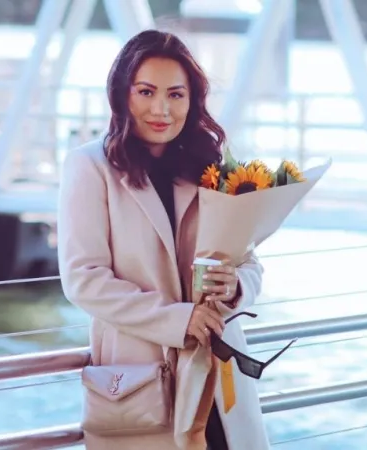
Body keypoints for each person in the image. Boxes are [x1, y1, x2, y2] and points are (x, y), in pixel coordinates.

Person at [57, 30, 269, 450]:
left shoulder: (211, 165)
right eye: (146, 91)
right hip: (141, 380)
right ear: (122, 94)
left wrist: (237, 286)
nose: (161, 109)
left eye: (176, 95)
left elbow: (250, 262)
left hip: (216, 375)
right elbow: (83, 279)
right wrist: (178, 318)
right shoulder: (89, 167)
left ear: (192, 101)